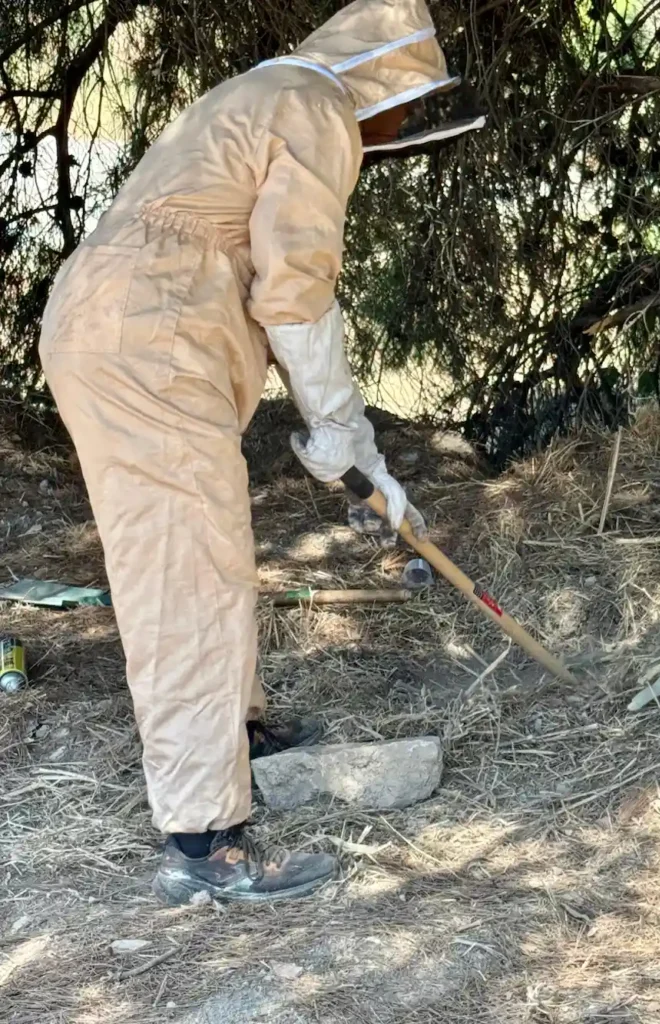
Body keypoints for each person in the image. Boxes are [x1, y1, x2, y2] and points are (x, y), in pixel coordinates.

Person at [38, 0, 485, 906]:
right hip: (148, 335)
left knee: (204, 546)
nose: (401, 128)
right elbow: (295, 296)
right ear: (384, 78)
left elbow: (255, 275)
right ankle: (204, 843)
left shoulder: (268, 94)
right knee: (183, 570)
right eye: (407, 105)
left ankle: (237, 732)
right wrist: (346, 436)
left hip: (126, 322)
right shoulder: (317, 109)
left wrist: (352, 453)